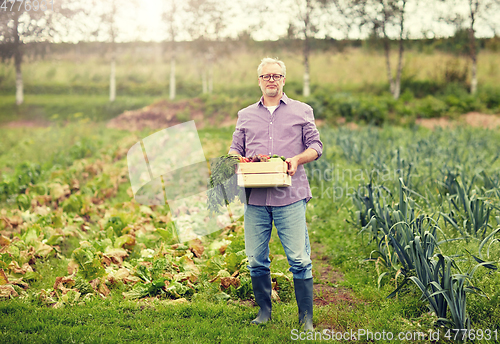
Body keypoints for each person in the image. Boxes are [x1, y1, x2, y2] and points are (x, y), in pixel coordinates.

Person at [228, 57, 323, 331]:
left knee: (298, 258)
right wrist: (236, 160)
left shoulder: (302, 110)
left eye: (276, 76)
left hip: (290, 197)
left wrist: (296, 159)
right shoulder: (245, 114)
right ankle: (264, 311)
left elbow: (316, 146)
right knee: (256, 258)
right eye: (266, 76)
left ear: (284, 79)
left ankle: (305, 317)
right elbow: (236, 148)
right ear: (259, 80)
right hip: (255, 198)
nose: (271, 80)